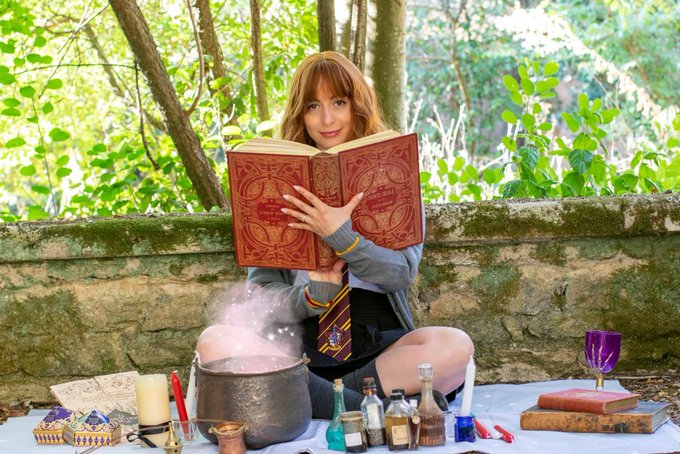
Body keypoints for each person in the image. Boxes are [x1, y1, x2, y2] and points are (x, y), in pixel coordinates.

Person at [197, 51, 474, 418]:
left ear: (358, 105)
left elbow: (399, 274)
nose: (327, 119)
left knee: (456, 347)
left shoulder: (396, 177)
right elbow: (261, 297)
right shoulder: (275, 184)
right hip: (296, 350)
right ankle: (370, 410)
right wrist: (312, 297)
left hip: (379, 348)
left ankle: (312, 400)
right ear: (300, 114)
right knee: (214, 342)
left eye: (338, 102)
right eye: (313, 106)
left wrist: (342, 236)